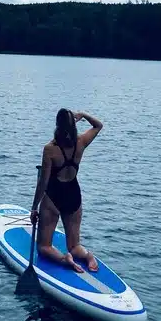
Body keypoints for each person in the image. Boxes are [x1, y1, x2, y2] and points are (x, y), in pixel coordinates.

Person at [30, 108, 103, 273]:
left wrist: (34, 207)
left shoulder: (50, 149)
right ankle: (87, 256)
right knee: (74, 245)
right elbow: (98, 126)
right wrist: (84, 115)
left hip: (54, 197)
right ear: (73, 125)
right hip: (74, 195)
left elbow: (43, 182)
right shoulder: (81, 141)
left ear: (57, 126)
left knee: (44, 246)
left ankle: (65, 259)